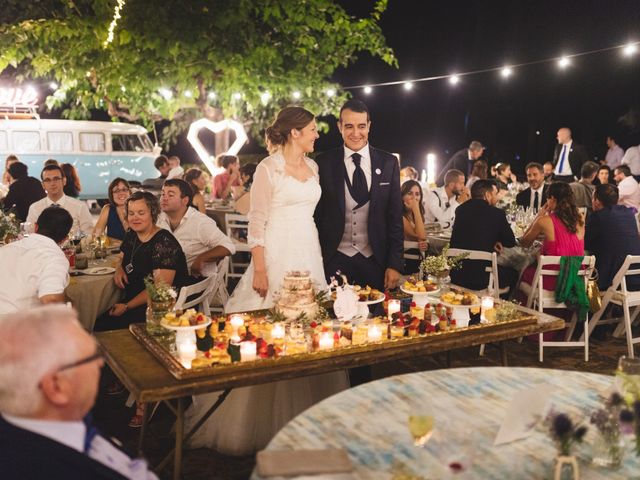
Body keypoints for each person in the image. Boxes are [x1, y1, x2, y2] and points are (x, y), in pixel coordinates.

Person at [186, 106, 348, 455]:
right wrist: (260, 268)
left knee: (309, 326)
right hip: (276, 252)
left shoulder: (314, 167)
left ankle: (308, 415)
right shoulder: (267, 168)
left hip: (308, 249)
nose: (317, 135)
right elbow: (256, 221)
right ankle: (250, 421)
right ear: (294, 132)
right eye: (312, 130)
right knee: (269, 326)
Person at [0, 305, 159, 480]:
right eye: (91, 356)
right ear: (56, 387)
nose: (100, 363)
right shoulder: (53, 467)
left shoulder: (61, 422)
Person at [315, 98, 404, 291]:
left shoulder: (388, 162)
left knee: (375, 318)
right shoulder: (324, 163)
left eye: (361, 126)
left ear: (369, 126)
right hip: (333, 259)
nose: (356, 133)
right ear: (339, 127)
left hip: (375, 260)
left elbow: (395, 217)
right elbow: (317, 216)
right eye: (349, 126)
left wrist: (394, 264)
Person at [95, 191, 190, 332]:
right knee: (97, 320)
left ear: (152, 213)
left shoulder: (163, 243)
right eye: (131, 213)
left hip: (159, 306)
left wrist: (126, 306)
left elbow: (160, 289)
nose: (135, 218)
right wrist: (119, 269)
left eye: (141, 213)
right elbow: (122, 256)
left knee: (103, 327)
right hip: (135, 296)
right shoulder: (132, 234)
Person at [0, 206, 73, 314]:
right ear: (64, 239)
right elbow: (51, 299)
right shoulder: (54, 257)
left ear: (35, 227)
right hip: (19, 325)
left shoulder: (5, 249)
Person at [450, 179, 518, 293]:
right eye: (495, 194)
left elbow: (472, 234)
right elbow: (510, 242)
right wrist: (497, 239)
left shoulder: (460, 210)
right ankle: (498, 308)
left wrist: (493, 239)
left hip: (457, 274)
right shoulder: (497, 213)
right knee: (514, 273)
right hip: (482, 278)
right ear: (487, 195)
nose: (497, 198)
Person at [157, 178, 234, 278]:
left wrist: (201, 258)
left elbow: (228, 246)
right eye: (163, 194)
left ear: (185, 200)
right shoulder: (158, 219)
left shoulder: (200, 222)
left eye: (170, 195)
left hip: (192, 281)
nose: (164, 198)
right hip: (162, 278)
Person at [519, 182, 585, 292]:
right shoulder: (580, 218)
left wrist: (539, 216)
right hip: (574, 279)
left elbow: (524, 243)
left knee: (522, 271)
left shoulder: (544, 221)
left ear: (552, 198)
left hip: (552, 280)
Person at [585, 183, 640, 290]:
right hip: (635, 275)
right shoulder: (628, 213)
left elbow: (585, 243)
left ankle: (590, 304)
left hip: (611, 278)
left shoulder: (598, 217)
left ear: (597, 201)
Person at [26, 164, 94, 233]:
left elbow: (89, 234)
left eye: (56, 179)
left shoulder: (80, 207)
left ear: (64, 181)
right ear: (43, 185)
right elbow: (29, 234)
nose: (52, 183)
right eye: (47, 180)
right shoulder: (35, 208)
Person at [401, 180, 428, 274]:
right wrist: (416, 208)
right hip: (404, 260)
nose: (414, 198)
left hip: (416, 257)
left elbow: (421, 238)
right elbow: (421, 236)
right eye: (409, 193)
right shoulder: (399, 215)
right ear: (402, 196)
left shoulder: (414, 215)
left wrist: (422, 242)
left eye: (417, 194)